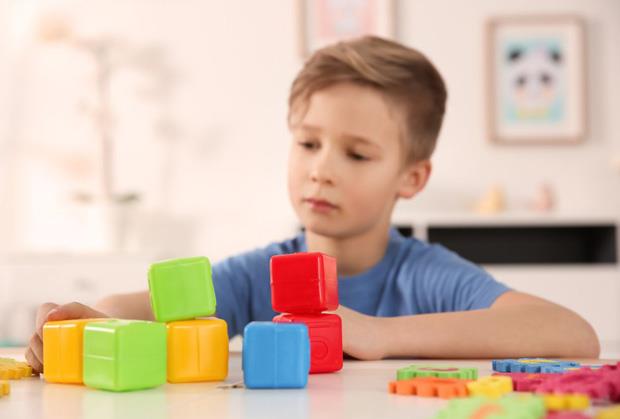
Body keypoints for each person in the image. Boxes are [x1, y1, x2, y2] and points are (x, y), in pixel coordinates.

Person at [25, 36, 599, 373]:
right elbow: (129, 307)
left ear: (411, 178)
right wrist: (88, 319)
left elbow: (572, 333)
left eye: (357, 153)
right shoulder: (260, 275)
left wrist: (375, 334)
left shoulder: (425, 276)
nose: (321, 169)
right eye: (307, 144)